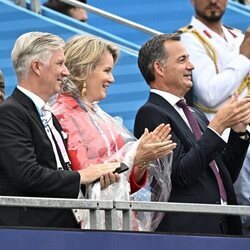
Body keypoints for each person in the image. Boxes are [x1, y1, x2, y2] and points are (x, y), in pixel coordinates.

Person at [51, 35, 176, 230]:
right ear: (85, 70)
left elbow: (127, 184)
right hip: (87, 230)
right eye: (106, 71)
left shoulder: (99, 115)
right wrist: (135, 156)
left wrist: (142, 159)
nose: (112, 79)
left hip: (118, 223)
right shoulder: (61, 114)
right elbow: (89, 175)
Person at [0, 31, 124, 229]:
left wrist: (95, 179)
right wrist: (82, 176)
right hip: (31, 233)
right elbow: (27, 175)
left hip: (59, 228)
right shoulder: (10, 113)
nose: (66, 72)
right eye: (59, 64)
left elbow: (58, 172)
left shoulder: (47, 114)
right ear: (37, 67)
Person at [134, 33, 250, 236]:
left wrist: (238, 132)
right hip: (190, 232)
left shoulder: (195, 113)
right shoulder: (151, 113)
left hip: (223, 227)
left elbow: (224, 174)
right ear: (159, 69)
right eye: (182, 60)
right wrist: (218, 125)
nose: (191, 66)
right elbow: (180, 174)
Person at [177, 0, 250, 235]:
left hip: (244, 132)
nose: (213, 1)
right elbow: (209, 94)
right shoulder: (188, 38)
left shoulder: (237, 35)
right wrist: (244, 58)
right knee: (241, 213)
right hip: (222, 140)